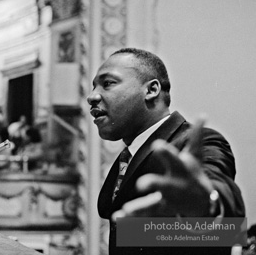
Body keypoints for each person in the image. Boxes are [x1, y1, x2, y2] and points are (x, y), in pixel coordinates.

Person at [87, 48, 245, 255]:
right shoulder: (129, 155)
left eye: (108, 83)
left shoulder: (197, 142)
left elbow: (222, 210)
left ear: (151, 90)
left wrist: (208, 205)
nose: (92, 96)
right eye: (93, 87)